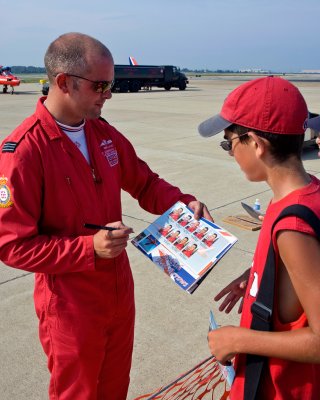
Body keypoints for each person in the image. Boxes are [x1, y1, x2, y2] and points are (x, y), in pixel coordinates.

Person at [0, 32, 212, 400]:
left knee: (115, 387)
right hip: (70, 304)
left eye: (110, 83)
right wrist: (88, 249)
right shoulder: (24, 153)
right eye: (101, 85)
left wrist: (183, 203)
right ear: (64, 82)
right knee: (78, 393)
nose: (109, 93)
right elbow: (12, 245)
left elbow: (145, 183)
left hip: (117, 292)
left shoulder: (103, 134)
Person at [199, 76, 320, 399]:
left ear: (256, 144)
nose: (229, 152)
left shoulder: (294, 225)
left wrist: (237, 340)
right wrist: (259, 276)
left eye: (229, 142)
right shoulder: (303, 194)